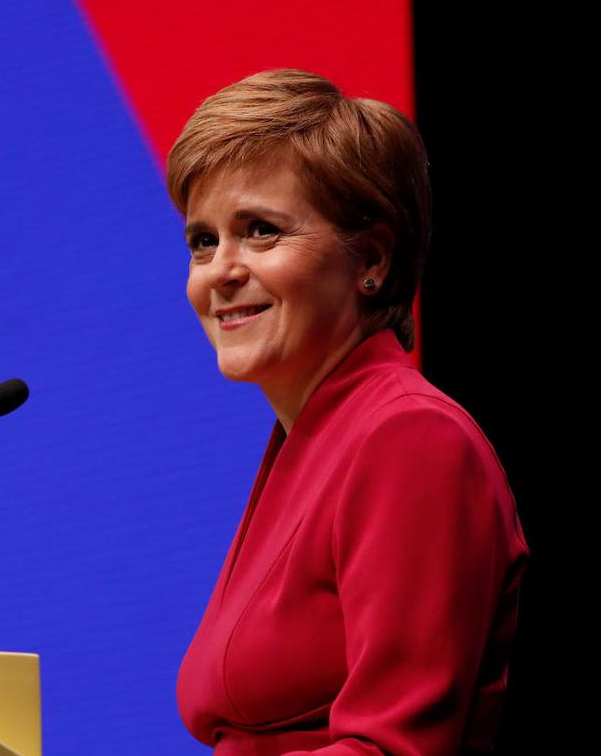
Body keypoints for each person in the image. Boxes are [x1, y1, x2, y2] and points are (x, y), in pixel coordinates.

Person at [169, 69, 529, 755]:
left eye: (261, 231)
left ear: (371, 257)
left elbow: (395, 747)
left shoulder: (408, 439)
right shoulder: (312, 441)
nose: (220, 271)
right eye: (203, 241)